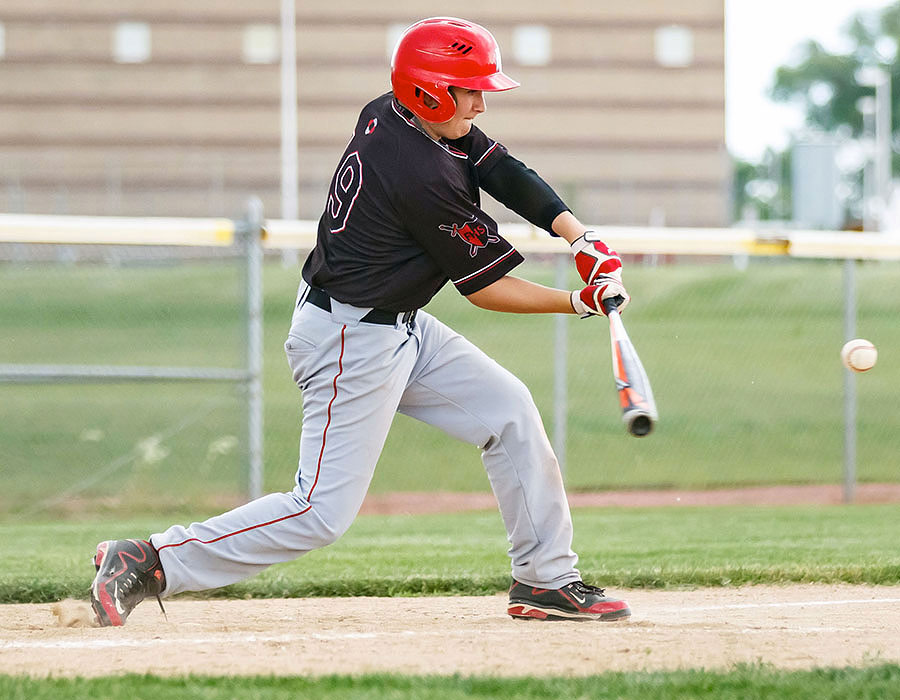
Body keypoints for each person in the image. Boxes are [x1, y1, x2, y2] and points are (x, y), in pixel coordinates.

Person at [89, 16, 632, 626]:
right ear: (429, 90)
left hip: (395, 324)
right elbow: (485, 289)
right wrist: (580, 301)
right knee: (319, 512)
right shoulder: (420, 175)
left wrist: (576, 234)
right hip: (352, 336)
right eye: (469, 89)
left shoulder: (401, 113)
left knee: (509, 410)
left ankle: (546, 581)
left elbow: (501, 168)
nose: (481, 102)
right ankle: (150, 559)